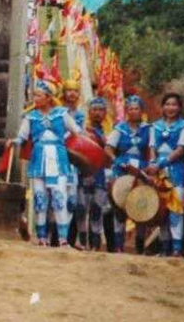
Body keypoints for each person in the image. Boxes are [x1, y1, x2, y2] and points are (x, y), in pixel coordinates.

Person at [12, 79, 82, 247]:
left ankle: (63, 238)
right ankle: (42, 237)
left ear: (49, 97)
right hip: (39, 159)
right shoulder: (31, 117)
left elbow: (77, 132)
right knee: (40, 198)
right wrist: (13, 142)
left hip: (58, 158)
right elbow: (21, 136)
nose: (35, 98)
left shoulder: (61, 114)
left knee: (59, 196)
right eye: (35, 95)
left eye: (39, 95)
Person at [105, 95, 152, 253]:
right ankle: (119, 246)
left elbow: (152, 149)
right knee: (120, 206)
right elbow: (108, 148)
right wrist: (117, 161)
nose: (133, 111)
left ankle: (140, 246)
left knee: (140, 205)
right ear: (126, 111)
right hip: (122, 169)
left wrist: (150, 167)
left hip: (141, 170)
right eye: (130, 108)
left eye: (136, 108)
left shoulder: (148, 129)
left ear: (141, 110)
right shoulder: (120, 128)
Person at [148, 92, 184, 257]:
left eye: (174, 104)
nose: (170, 108)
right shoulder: (155, 126)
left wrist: (160, 163)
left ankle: (176, 249)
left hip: (177, 172)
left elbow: (180, 150)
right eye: (167, 104)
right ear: (162, 107)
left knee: (175, 210)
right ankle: (164, 249)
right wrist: (153, 164)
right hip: (158, 173)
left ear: (179, 107)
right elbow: (152, 148)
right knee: (161, 212)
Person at [78, 97, 112, 251]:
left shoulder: (109, 132)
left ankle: (95, 243)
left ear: (105, 113)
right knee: (81, 208)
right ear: (89, 112)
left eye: (101, 110)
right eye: (94, 110)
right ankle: (82, 241)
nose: (97, 113)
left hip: (100, 174)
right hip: (84, 173)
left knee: (97, 208)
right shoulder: (82, 130)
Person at [59, 79, 85, 248]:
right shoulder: (57, 112)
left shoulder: (80, 115)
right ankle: (51, 237)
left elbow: (79, 136)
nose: (72, 94)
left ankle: (68, 238)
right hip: (57, 155)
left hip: (73, 159)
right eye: (69, 90)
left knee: (72, 199)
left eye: (75, 90)